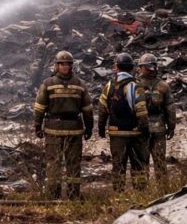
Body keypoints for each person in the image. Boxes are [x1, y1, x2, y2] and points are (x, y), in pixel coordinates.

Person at [32, 50, 93, 200]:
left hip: (72, 130)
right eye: (62, 64)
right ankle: (54, 196)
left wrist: (90, 127)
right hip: (55, 130)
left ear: (71, 66)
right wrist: (37, 126)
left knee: (73, 164)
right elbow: (39, 108)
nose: (65, 67)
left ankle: (73, 196)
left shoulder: (79, 84)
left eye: (68, 64)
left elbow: (88, 109)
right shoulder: (48, 84)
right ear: (56, 66)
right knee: (54, 164)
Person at [97, 53, 149, 191]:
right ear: (132, 68)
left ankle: (119, 193)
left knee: (118, 165)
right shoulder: (136, 86)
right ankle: (140, 191)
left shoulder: (109, 86)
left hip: (116, 133)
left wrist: (101, 127)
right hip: (134, 133)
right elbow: (141, 111)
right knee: (138, 164)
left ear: (117, 67)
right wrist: (145, 129)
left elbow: (102, 109)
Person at [136, 54, 176, 183]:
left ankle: (142, 190)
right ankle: (162, 189)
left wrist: (171, 126)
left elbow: (170, 107)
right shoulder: (163, 85)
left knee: (143, 161)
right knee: (158, 160)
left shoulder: (134, 85)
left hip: (142, 128)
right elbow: (170, 108)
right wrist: (171, 126)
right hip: (155, 128)